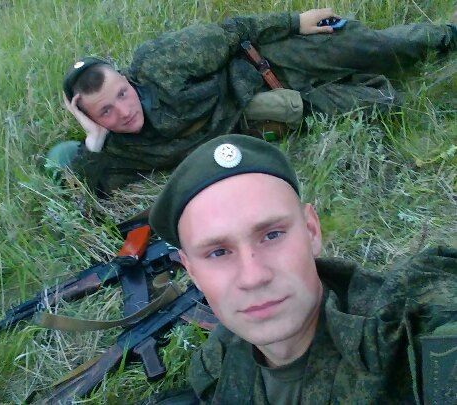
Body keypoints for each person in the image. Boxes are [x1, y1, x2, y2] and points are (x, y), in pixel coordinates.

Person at [147, 134, 457, 403]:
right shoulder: (216, 363)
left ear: (311, 231)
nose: (254, 277)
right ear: (192, 271)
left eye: (272, 235)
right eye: (218, 252)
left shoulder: (407, 331)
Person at [49, 8, 457, 195]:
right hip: (272, 111)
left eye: (122, 93)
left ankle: (447, 35)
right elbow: (87, 192)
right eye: (105, 111)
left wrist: (297, 22)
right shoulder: (118, 150)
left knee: (374, 48)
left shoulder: (161, 62)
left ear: (125, 78)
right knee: (383, 105)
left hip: (268, 61)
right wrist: (93, 141)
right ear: (88, 117)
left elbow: (233, 31)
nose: (124, 111)